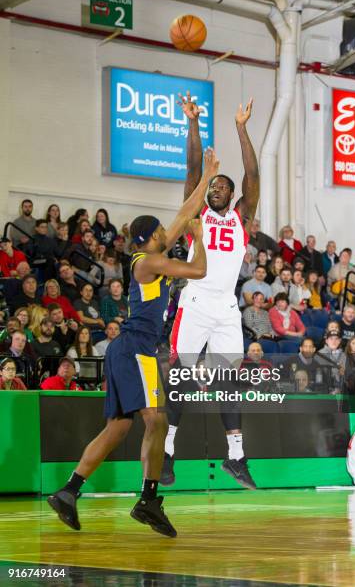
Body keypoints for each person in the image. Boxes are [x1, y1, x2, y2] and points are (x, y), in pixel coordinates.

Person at [47, 147, 214, 538]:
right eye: (160, 232)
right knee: (156, 420)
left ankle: (69, 492)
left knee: (119, 429)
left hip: (128, 349)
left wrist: (208, 176)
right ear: (149, 238)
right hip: (137, 348)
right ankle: (149, 500)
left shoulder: (148, 253)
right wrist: (200, 237)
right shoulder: (149, 261)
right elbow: (200, 269)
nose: (166, 233)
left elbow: (183, 214)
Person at [163, 94, 259, 491]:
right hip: (196, 301)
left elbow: (253, 176)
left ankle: (235, 455)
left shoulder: (242, 218)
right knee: (180, 375)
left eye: (221, 186)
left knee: (230, 380)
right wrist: (192, 122)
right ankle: (166, 451)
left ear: (232, 195)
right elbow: (192, 167)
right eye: (213, 186)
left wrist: (241, 129)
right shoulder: (197, 214)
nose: (215, 189)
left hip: (226, 308)